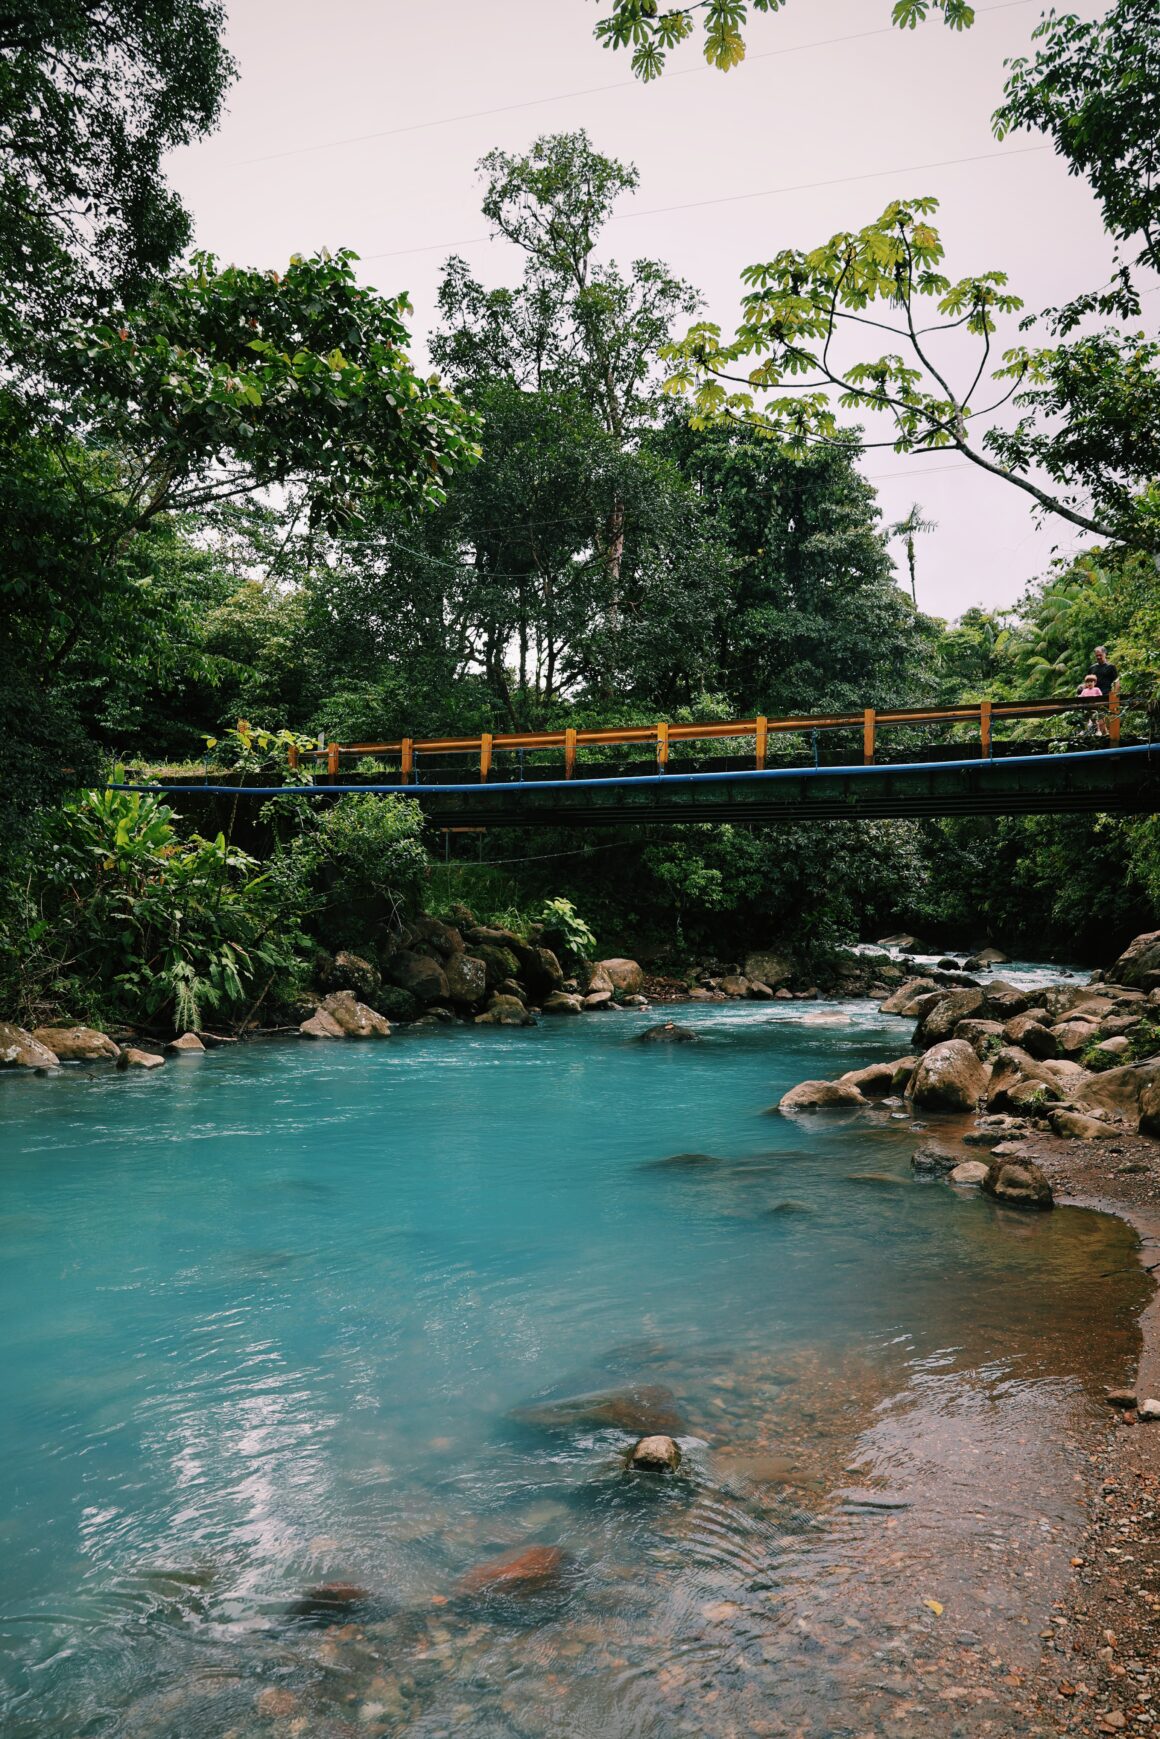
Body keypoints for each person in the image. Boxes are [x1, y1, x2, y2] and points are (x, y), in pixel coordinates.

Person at [1091, 646, 1119, 736]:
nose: (1098, 657)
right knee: (1099, 716)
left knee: (1110, 715)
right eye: (1096, 656)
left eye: (1100, 655)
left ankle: (1111, 734)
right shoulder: (1092, 668)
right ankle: (1104, 734)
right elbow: (1088, 681)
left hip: (1107, 694)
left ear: (1105, 654)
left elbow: (1116, 681)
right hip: (1095, 696)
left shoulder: (1111, 667)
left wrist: (1115, 693)